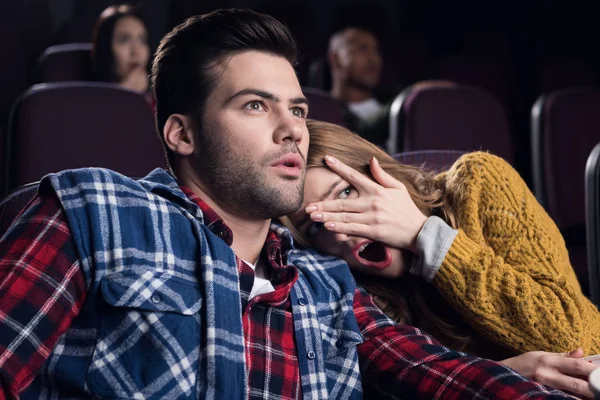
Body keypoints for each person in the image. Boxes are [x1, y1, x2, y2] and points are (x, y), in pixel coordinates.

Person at [0, 9, 574, 400]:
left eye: (297, 110)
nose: (291, 130)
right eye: (255, 106)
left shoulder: (328, 286)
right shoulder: (92, 210)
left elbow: (443, 376)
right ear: (182, 134)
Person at [283, 119, 600, 398]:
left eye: (344, 194)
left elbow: (579, 338)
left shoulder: (477, 185)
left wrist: (425, 237)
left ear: (373, 169)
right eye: (315, 226)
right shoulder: (349, 293)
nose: (341, 230)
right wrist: (502, 373)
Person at [328, 26, 395, 148]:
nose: (374, 59)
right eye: (362, 49)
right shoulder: (321, 112)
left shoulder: (400, 107)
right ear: (336, 58)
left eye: (377, 51)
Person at [91, 4, 153, 103]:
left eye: (142, 40)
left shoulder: (161, 99)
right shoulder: (90, 100)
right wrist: (124, 93)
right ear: (105, 48)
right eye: (124, 40)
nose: (136, 52)